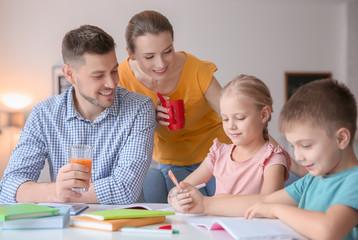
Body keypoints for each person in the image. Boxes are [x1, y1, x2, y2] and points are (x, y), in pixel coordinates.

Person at [172, 79, 358, 240]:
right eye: (294, 146)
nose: (299, 157)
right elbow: (264, 201)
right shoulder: (313, 180)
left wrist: (276, 210)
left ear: (341, 138)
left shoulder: (354, 181)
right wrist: (204, 204)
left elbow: (327, 230)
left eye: (306, 146)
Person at [0, 25, 156, 205]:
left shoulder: (139, 108)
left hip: (122, 228)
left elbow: (124, 190)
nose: (112, 83)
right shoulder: (44, 115)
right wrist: (55, 191)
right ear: (70, 74)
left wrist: (63, 194)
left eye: (114, 70)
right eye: (98, 76)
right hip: (67, 228)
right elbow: (9, 188)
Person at [118, 10, 231, 201]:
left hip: (217, 152)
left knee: (225, 204)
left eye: (168, 51)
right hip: (172, 161)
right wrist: (150, 122)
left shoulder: (196, 69)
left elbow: (231, 113)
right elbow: (119, 136)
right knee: (187, 210)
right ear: (131, 54)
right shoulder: (121, 79)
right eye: (149, 57)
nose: (161, 63)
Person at [168, 75, 290, 207]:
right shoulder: (218, 153)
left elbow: (268, 204)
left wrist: (210, 203)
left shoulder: (272, 159)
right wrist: (175, 198)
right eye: (225, 119)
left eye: (240, 118)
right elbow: (177, 191)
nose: (231, 126)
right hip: (217, 225)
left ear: (263, 115)